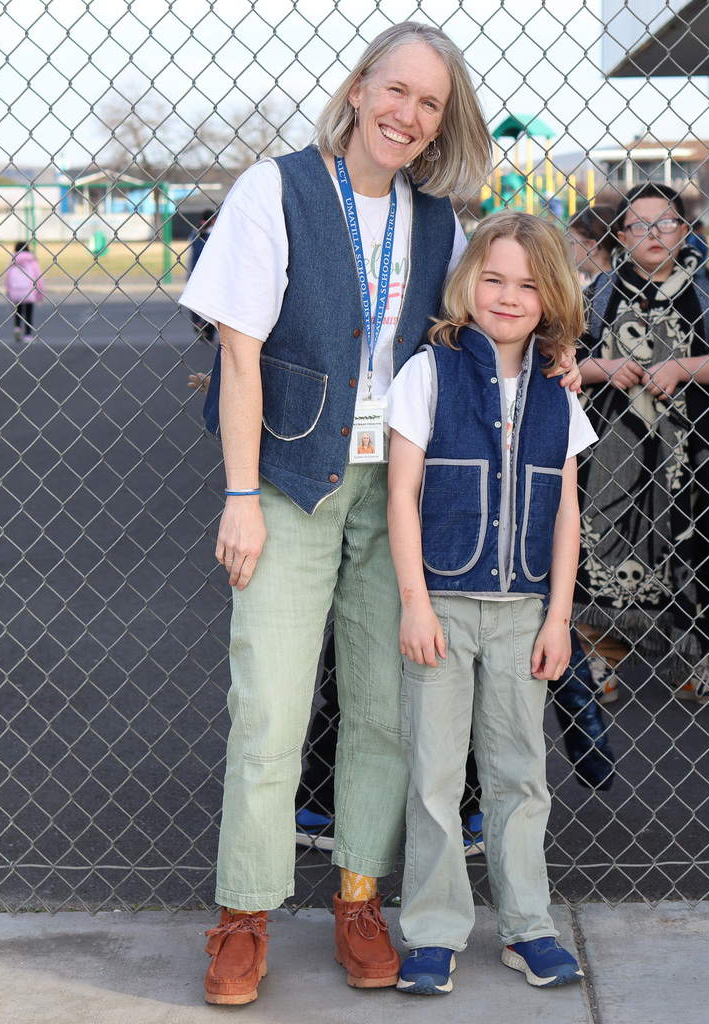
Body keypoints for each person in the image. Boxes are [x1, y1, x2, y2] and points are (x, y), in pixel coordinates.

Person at [178, 21, 494, 1005]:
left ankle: (359, 899)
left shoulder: (438, 219)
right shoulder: (277, 191)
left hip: (391, 496)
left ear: (442, 122)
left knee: (381, 708)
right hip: (290, 482)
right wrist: (239, 495)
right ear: (358, 90)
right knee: (268, 704)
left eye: (429, 103)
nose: (407, 114)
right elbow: (238, 354)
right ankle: (244, 912)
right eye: (394, 91)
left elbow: (472, 338)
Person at [387, 211, 594, 994]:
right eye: (495, 278)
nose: (509, 296)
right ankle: (434, 931)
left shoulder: (557, 389)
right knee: (435, 777)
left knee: (519, 775)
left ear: (552, 299)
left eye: (530, 284)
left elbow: (567, 510)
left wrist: (557, 618)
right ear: (468, 281)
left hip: (522, 614)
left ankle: (527, 927)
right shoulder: (427, 374)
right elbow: (400, 496)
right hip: (440, 604)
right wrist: (414, 603)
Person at [574, 182, 709, 706]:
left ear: (685, 230)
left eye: (665, 222)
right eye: (639, 225)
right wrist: (604, 367)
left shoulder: (704, 292)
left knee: (689, 555)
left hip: (688, 457)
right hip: (609, 458)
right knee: (602, 551)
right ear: (621, 236)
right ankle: (601, 657)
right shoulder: (598, 294)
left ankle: (690, 663)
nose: (653, 233)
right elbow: (565, 364)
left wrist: (679, 366)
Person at [4, 241, 44, 343]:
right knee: (28, 313)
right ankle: (28, 335)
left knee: (18, 310)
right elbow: (38, 277)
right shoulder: (32, 260)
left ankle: (17, 328)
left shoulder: (13, 260)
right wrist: (40, 292)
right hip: (29, 290)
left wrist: (8, 290)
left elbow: (8, 276)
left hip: (15, 290)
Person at [567, 202, 615, 285]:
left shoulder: (601, 291)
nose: (568, 248)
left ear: (593, 246)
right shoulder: (619, 281)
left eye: (572, 242)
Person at [188, 210, 217, 343]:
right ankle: (207, 327)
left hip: (195, 272)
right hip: (211, 273)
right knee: (212, 303)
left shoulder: (195, 233)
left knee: (195, 300)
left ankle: (198, 323)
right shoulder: (215, 233)